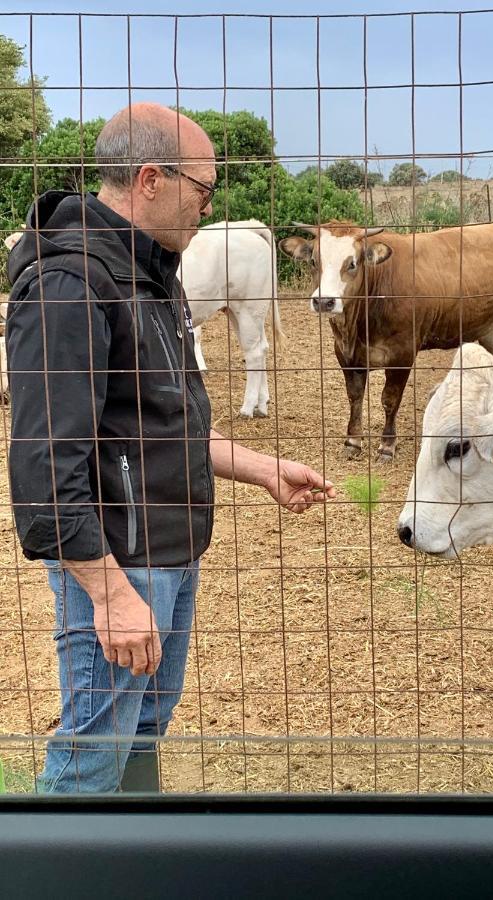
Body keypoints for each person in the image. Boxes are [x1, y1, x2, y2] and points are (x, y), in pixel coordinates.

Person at [5, 103, 336, 793]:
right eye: (203, 188)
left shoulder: (151, 273)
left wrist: (262, 468)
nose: (208, 206)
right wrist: (109, 593)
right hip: (120, 564)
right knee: (92, 757)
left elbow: (164, 420)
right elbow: (43, 468)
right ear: (151, 179)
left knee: (140, 737)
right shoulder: (71, 284)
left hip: (171, 552)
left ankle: (127, 868)